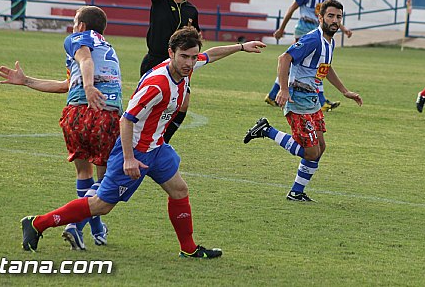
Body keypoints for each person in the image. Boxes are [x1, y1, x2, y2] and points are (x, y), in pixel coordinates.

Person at [20, 27, 266, 256]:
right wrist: (128, 158)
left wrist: (241, 47)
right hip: (135, 150)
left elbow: (210, 56)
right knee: (101, 205)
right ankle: (37, 223)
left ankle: (189, 248)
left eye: (193, 57)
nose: (190, 63)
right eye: (184, 57)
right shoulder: (157, 85)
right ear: (171, 53)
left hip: (156, 149)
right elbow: (126, 120)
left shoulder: (184, 67)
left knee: (179, 190)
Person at [0, 6, 121, 251]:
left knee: (83, 172)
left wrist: (87, 86)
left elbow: (84, 61)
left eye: (75, 22)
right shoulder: (106, 46)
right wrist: (27, 81)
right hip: (103, 115)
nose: (73, 27)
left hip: (75, 115)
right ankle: (80, 227)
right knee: (105, 179)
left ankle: (95, 229)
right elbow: (68, 82)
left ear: (82, 26)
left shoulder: (78, 39)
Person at [244, 0, 362, 202]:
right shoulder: (313, 39)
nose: (335, 21)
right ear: (321, 17)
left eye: (339, 17)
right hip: (298, 100)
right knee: (311, 151)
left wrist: (345, 91)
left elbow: (326, 67)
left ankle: (296, 192)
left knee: (320, 148)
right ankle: (266, 130)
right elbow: (284, 58)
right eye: (331, 16)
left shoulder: (329, 41)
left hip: (312, 100)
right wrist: (283, 89)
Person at [266, 0, 352, 112]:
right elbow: (292, 8)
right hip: (304, 29)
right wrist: (281, 28)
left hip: (318, 31)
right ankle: (320, 99)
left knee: (310, 63)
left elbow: (330, 15)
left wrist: (343, 28)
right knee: (300, 62)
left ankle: (274, 94)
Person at [143, 0, 200, 145]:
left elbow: (196, 38)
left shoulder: (191, 9)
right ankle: (138, 139)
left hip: (179, 63)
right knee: (152, 106)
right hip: (155, 60)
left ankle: (162, 142)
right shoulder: (159, 1)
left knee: (182, 105)